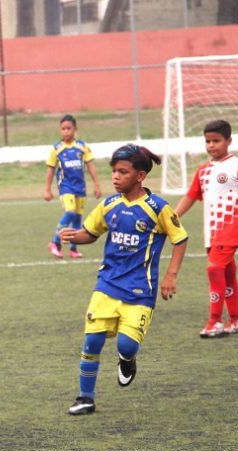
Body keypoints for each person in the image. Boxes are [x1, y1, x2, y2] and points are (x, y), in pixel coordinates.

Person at [59, 144, 188, 415]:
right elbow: (90, 233)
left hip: (141, 291)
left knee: (126, 345)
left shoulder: (158, 208)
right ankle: (85, 398)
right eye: (114, 172)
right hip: (107, 286)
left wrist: (171, 275)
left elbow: (180, 239)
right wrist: (74, 236)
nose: (115, 177)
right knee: (91, 342)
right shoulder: (109, 205)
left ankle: (127, 359)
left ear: (140, 176)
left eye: (122, 172)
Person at [174, 119, 238, 338]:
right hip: (212, 230)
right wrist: (173, 216)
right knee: (227, 274)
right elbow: (190, 196)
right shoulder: (203, 171)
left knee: (214, 269)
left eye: (216, 141)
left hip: (232, 224)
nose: (211, 145)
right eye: (207, 141)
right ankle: (236, 320)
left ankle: (214, 322)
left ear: (228, 141)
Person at [44, 114, 102, 259]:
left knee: (77, 219)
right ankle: (55, 242)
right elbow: (50, 168)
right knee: (70, 212)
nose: (66, 131)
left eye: (69, 128)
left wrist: (96, 185)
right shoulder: (57, 149)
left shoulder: (82, 147)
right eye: (63, 129)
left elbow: (91, 166)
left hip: (80, 187)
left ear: (75, 129)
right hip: (65, 187)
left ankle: (73, 249)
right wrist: (47, 189)